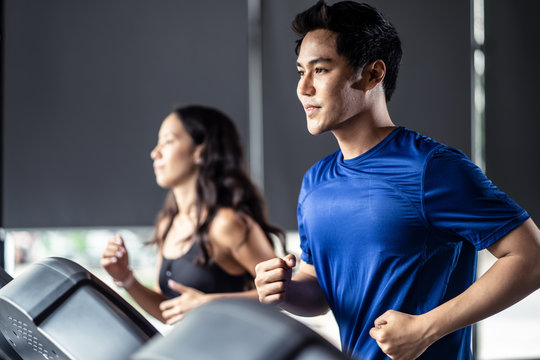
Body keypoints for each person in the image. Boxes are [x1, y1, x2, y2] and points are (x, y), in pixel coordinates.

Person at [254, 1, 540, 359]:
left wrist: (426, 328)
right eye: (300, 72)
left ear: (373, 74)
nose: (304, 87)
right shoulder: (315, 182)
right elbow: (322, 291)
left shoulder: (432, 168)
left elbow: (531, 256)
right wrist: (285, 291)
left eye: (321, 70)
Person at [102, 105, 285, 325]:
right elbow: (169, 311)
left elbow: (281, 292)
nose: (155, 152)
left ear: (200, 151)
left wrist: (208, 303)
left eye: (168, 141)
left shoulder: (227, 224)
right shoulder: (167, 224)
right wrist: (126, 278)